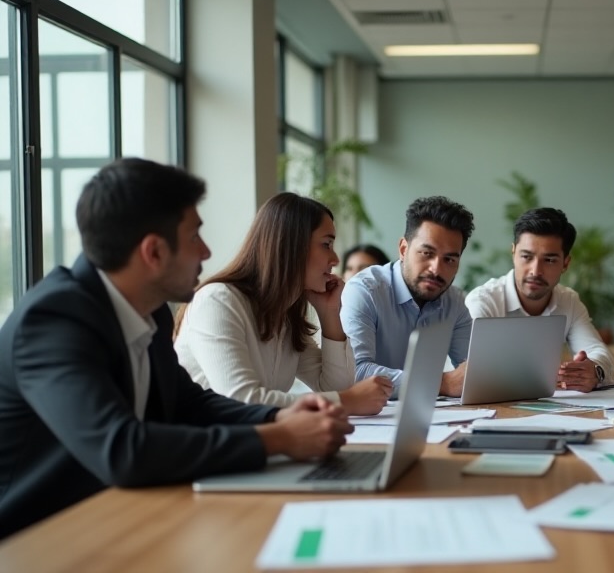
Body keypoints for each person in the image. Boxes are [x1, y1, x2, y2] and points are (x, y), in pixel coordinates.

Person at [0, 158, 352, 540]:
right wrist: (280, 438)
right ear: (153, 252)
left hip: (116, 518)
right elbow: (122, 449)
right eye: (194, 237)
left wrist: (277, 418)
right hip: (36, 540)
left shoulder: (148, 313)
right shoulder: (54, 320)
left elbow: (191, 404)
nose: (206, 251)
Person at [175, 193, 391, 415]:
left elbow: (339, 387)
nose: (335, 259)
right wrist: (345, 401)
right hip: (202, 445)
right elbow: (240, 400)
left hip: (250, 441)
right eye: (326, 244)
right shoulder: (218, 301)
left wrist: (330, 314)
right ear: (290, 245)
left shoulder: (286, 316)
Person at [465, 208, 614, 392]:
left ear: (565, 264)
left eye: (549, 260)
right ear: (513, 253)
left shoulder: (569, 301)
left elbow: (598, 352)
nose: (535, 271)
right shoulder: (484, 301)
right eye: (526, 257)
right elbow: (473, 370)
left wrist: (594, 371)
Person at [341, 196, 475, 397]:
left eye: (449, 259)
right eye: (427, 253)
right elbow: (355, 373)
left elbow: (472, 374)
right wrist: (440, 383)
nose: (436, 269)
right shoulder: (364, 290)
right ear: (403, 249)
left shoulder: (454, 302)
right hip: (366, 421)